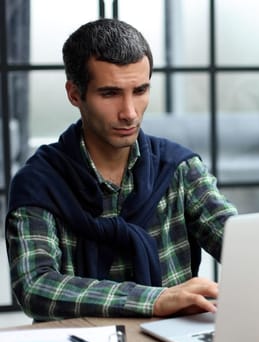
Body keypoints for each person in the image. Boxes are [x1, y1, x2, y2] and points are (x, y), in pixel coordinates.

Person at [4, 19, 238, 321]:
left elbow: (241, 247)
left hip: (173, 340)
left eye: (140, 90)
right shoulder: (39, 184)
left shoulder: (179, 169)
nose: (129, 112)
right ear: (75, 94)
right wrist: (155, 300)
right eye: (110, 93)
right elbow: (35, 287)